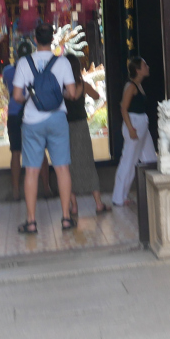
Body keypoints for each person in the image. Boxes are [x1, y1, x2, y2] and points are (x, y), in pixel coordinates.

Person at [12, 23, 80, 234]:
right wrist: (60, 94)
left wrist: (30, 97)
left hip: (32, 121)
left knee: (31, 171)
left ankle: (31, 221)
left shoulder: (24, 63)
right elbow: (72, 93)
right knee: (62, 168)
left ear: (34, 39)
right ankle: (66, 218)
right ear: (52, 39)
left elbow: (17, 96)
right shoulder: (62, 62)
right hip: (57, 119)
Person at [64, 52, 109, 222]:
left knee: (68, 166)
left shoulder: (60, 87)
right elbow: (97, 96)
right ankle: (98, 203)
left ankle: (74, 206)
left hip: (65, 128)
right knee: (88, 163)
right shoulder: (83, 85)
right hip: (82, 127)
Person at [111, 56, 157, 207]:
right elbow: (123, 108)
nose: (147, 67)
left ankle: (153, 191)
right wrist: (130, 129)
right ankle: (119, 197)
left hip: (142, 124)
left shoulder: (138, 85)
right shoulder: (131, 86)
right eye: (144, 65)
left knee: (150, 159)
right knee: (129, 160)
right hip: (134, 124)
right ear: (137, 70)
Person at [0, 54, 23, 201]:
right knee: (39, 150)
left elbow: (5, 85)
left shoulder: (7, 71)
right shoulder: (34, 69)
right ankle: (47, 188)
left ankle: (15, 191)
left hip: (14, 112)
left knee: (15, 151)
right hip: (32, 112)